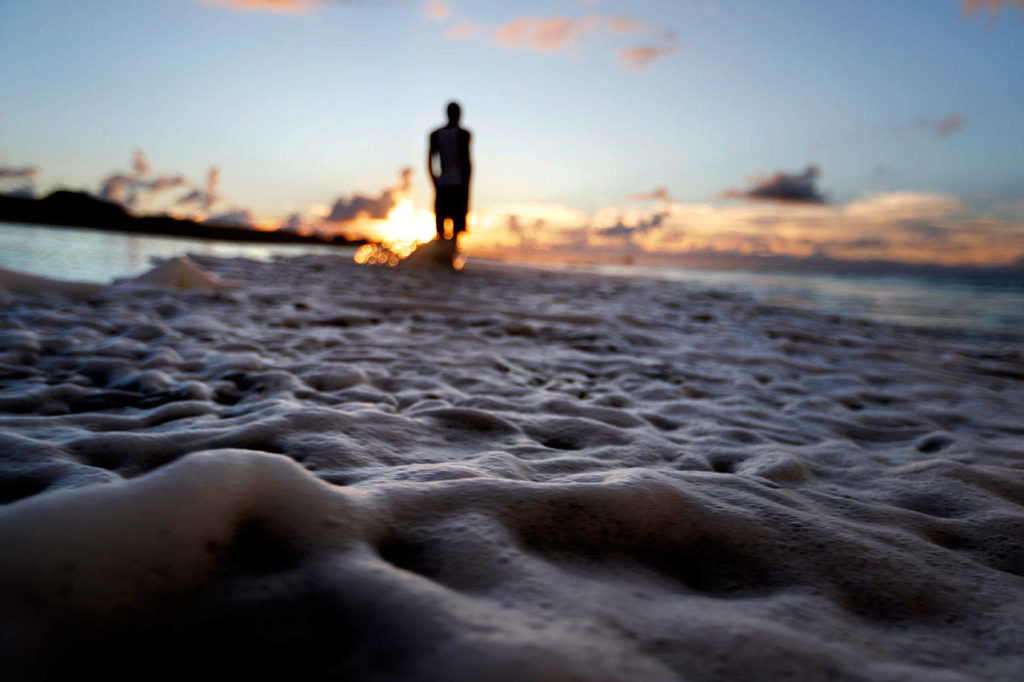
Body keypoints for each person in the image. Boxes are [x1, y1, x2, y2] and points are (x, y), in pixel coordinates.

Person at [428, 101, 472, 249]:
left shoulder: (436, 134)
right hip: (457, 186)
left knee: (441, 228)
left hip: (443, 184)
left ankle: (442, 263)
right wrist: (467, 188)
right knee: (453, 232)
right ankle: (448, 261)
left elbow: (429, 161)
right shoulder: (463, 134)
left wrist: (434, 181)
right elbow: (467, 163)